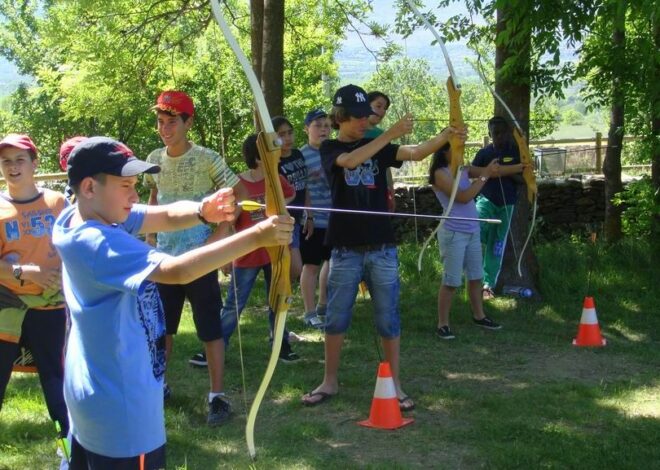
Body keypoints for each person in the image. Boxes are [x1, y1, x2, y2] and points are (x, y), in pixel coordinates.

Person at [52, 136, 292, 468]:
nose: (135, 195)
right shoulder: (98, 241)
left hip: (94, 396)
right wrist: (256, 237)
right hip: (124, 413)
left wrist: (202, 211)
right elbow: (177, 271)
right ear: (90, 187)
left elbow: (162, 215)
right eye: (126, 186)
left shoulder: (79, 217)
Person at [301, 84, 465, 410]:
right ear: (341, 118)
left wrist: (448, 134)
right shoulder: (330, 147)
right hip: (345, 249)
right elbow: (350, 162)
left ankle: (395, 384)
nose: (365, 121)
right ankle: (329, 381)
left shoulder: (378, 142)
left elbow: (416, 152)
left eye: (368, 116)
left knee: (388, 318)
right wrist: (389, 133)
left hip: (382, 247)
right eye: (359, 117)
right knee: (335, 318)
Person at [144, 90, 243, 409]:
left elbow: (235, 199)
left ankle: (217, 394)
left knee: (210, 327)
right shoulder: (153, 160)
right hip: (164, 260)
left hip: (200, 258)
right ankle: (157, 385)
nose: (165, 128)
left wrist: (220, 236)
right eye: (160, 122)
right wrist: (149, 235)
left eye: (172, 121)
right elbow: (154, 198)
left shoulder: (207, 158)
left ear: (188, 122)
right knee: (162, 328)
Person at [0, 134, 69, 443]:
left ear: (34, 163)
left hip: (51, 304)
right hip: (6, 303)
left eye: (20, 160)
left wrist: (62, 273)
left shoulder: (57, 203)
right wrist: (26, 271)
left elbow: (76, 247)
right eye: (6, 161)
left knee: (57, 380)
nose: (13, 167)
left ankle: (70, 449)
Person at [220, 134, 299, 362]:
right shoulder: (238, 183)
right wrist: (225, 254)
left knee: (278, 297)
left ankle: (281, 345)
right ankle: (216, 345)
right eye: (269, 153)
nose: (276, 157)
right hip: (246, 252)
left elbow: (290, 193)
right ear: (257, 157)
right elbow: (227, 219)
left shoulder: (275, 178)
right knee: (234, 303)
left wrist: (281, 207)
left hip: (274, 250)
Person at [429, 143, 503, 339]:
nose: (461, 152)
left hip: (472, 230)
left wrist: (522, 167)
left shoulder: (463, 169)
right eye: (456, 148)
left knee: (476, 277)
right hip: (453, 232)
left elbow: (494, 171)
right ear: (444, 151)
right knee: (452, 280)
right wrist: (485, 174)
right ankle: (442, 324)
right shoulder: (440, 173)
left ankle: (479, 316)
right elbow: (463, 197)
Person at [471, 116, 528, 299]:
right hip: (486, 199)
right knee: (476, 228)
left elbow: (523, 179)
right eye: (495, 133)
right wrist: (489, 174)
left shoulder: (515, 152)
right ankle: (472, 277)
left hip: (506, 204)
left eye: (503, 133)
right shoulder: (484, 154)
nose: (500, 136)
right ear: (489, 134)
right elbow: (472, 174)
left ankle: (488, 285)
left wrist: (506, 172)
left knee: (497, 244)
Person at [299, 109, 332, 330]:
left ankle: (323, 305)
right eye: (318, 125)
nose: (323, 130)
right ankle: (309, 312)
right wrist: (308, 215)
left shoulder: (334, 151)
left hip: (336, 218)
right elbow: (303, 189)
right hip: (312, 220)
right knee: (311, 265)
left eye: (327, 126)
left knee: (332, 262)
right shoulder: (301, 155)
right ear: (307, 129)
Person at [272, 116, 310, 281]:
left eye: (289, 133)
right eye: (281, 134)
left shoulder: (297, 154)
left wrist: (310, 215)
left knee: (296, 268)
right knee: (296, 269)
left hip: (300, 216)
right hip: (286, 218)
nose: (287, 138)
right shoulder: (273, 162)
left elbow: (305, 185)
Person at [365, 91, 395, 212]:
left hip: (379, 189)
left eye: (385, 108)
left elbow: (386, 166)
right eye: (378, 106)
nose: (382, 111)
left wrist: (391, 191)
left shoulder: (382, 134)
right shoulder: (352, 133)